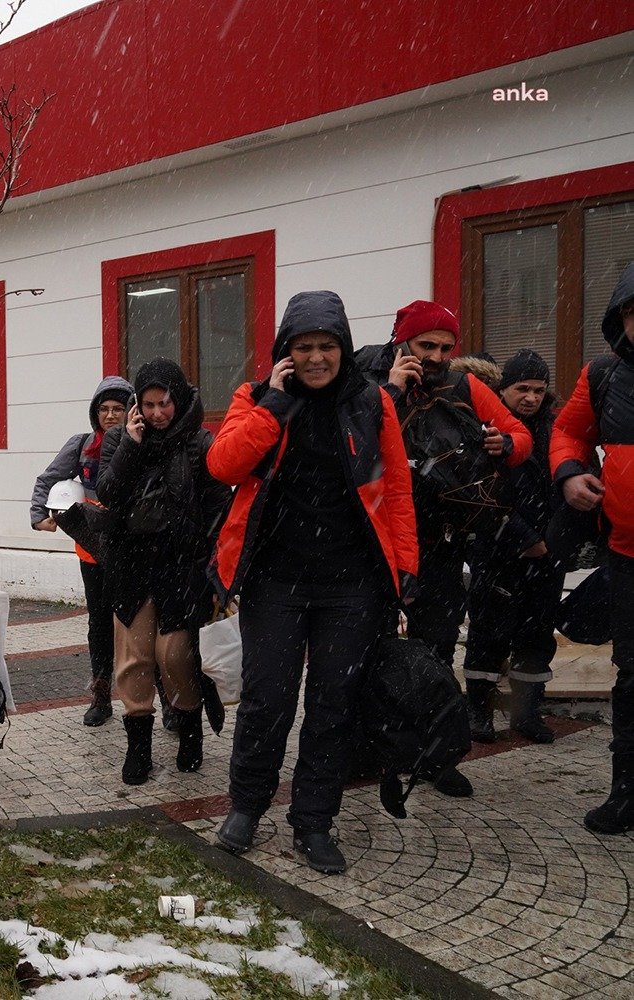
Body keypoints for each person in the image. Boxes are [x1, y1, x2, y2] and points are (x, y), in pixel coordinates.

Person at [208, 291, 418, 874]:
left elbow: (397, 491)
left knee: (334, 706)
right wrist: (273, 406)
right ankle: (246, 808)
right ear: (285, 352)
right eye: (304, 347)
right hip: (276, 581)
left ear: (343, 349)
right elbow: (222, 464)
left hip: (352, 585)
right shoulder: (255, 398)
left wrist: (405, 574)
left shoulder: (373, 403)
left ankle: (314, 820)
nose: (317, 357)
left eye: (327, 346)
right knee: (266, 700)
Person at [365, 300, 531, 798]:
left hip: (441, 542)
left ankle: (435, 755)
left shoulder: (464, 386)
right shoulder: (367, 381)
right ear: (402, 342)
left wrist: (508, 444)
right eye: (425, 346)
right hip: (380, 540)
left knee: (435, 650)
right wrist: (393, 388)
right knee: (364, 647)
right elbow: (355, 438)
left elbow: (519, 434)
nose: (436, 356)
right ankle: (365, 747)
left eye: (444, 347)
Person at [95, 359, 229, 784]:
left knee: (175, 657)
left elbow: (217, 507)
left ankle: (190, 734)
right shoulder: (120, 438)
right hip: (131, 564)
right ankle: (139, 750)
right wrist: (132, 446)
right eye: (148, 405)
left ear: (179, 398)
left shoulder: (198, 442)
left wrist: (213, 570)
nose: (156, 414)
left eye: (164, 404)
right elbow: (108, 493)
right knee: (133, 658)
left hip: (181, 566)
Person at [551, 262, 634, 836]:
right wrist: (569, 474)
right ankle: (627, 793)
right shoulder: (603, 375)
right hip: (626, 556)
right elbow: (568, 431)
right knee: (631, 677)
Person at [460, 349, 562, 744]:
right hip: (497, 551)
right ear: (503, 390)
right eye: (523, 389)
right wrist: (522, 537)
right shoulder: (487, 430)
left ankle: (526, 712)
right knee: (488, 633)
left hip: (549, 554)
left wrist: (555, 541)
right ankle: (478, 711)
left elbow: (576, 480)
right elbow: (482, 494)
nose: (532, 397)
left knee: (537, 635)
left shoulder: (558, 430)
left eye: (539, 390)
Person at [30, 376, 134, 727]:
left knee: (145, 627)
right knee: (100, 625)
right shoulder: (82, 446)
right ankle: (101, 696)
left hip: (137, 553)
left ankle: (162, 700)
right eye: (103, 409)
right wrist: (38, 515)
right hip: (94, 553)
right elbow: (47, 480)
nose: (110, 415)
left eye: (118, 408)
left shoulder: (143, 443)